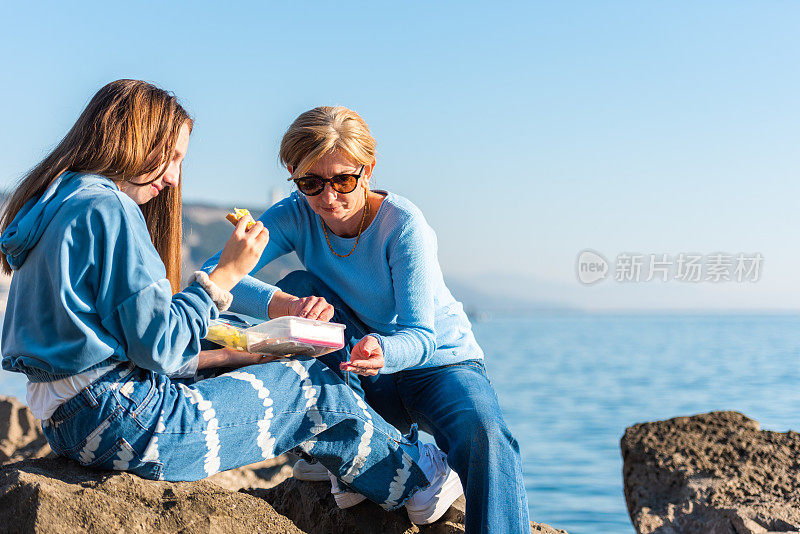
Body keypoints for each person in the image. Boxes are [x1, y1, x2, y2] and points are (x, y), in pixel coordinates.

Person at [0, 81, 463, 525]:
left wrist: (241, 353)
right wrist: (225, 275)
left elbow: (126, 343)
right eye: (172, 157)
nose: (175, 176)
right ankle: (418, 481)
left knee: (249, 350)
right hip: (122, 424)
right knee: (312, 387)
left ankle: (350, 464)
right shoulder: (108, 208)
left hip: (64, 421)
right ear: (136, 139)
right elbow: (160, 347)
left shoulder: (56, 199)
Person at [201, 106, 530, 533]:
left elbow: (422, 336)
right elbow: (215, 273)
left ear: (367, 169)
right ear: (293, 174)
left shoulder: (403, 225)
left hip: (437, 365)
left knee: (485, 434)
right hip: (360, 365)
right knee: (299, 283)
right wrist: (283, 303)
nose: (328, 197)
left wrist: (385, 349)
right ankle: (354, 448)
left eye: (342, 180)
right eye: (311, 183)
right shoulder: (296, 214)